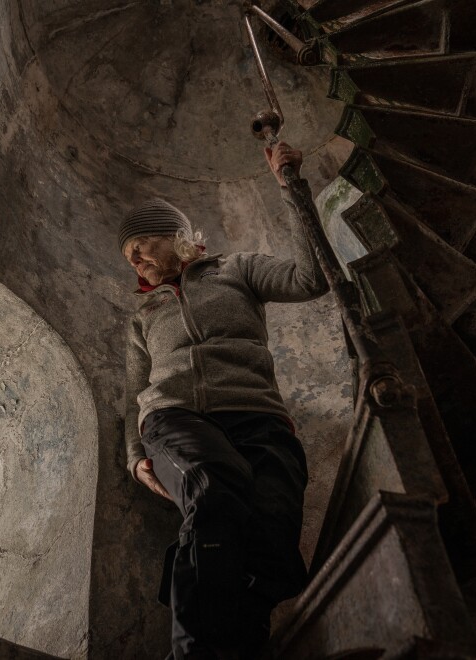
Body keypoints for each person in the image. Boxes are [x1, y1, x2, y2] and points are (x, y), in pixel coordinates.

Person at [120, 143, 328, 659]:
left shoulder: (236, 270)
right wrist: (133, 457)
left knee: (272, 539)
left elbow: (312, 278)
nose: (138, 263)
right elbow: (132, 395)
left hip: (258, 417)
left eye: (141, 247)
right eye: (131, 259)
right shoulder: (142, 319)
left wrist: (291, 187)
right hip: (175, 417)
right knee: (213, 491)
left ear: (174, 236)